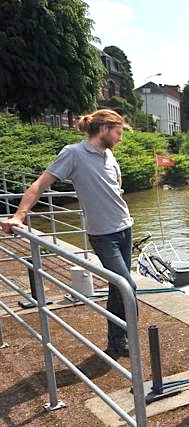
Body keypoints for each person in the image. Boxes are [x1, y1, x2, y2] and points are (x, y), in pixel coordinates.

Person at [1, 109, 135, 357]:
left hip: (125, 227)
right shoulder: (73, 153)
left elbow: (116, 185)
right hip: (103, 234)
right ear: (104, 128)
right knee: (128, 286)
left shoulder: (109, 154)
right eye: (118, 132)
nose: (120, 138)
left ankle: (118, 338)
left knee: (118, 286)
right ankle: (129, 336)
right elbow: (40, 184)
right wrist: (19, 216)